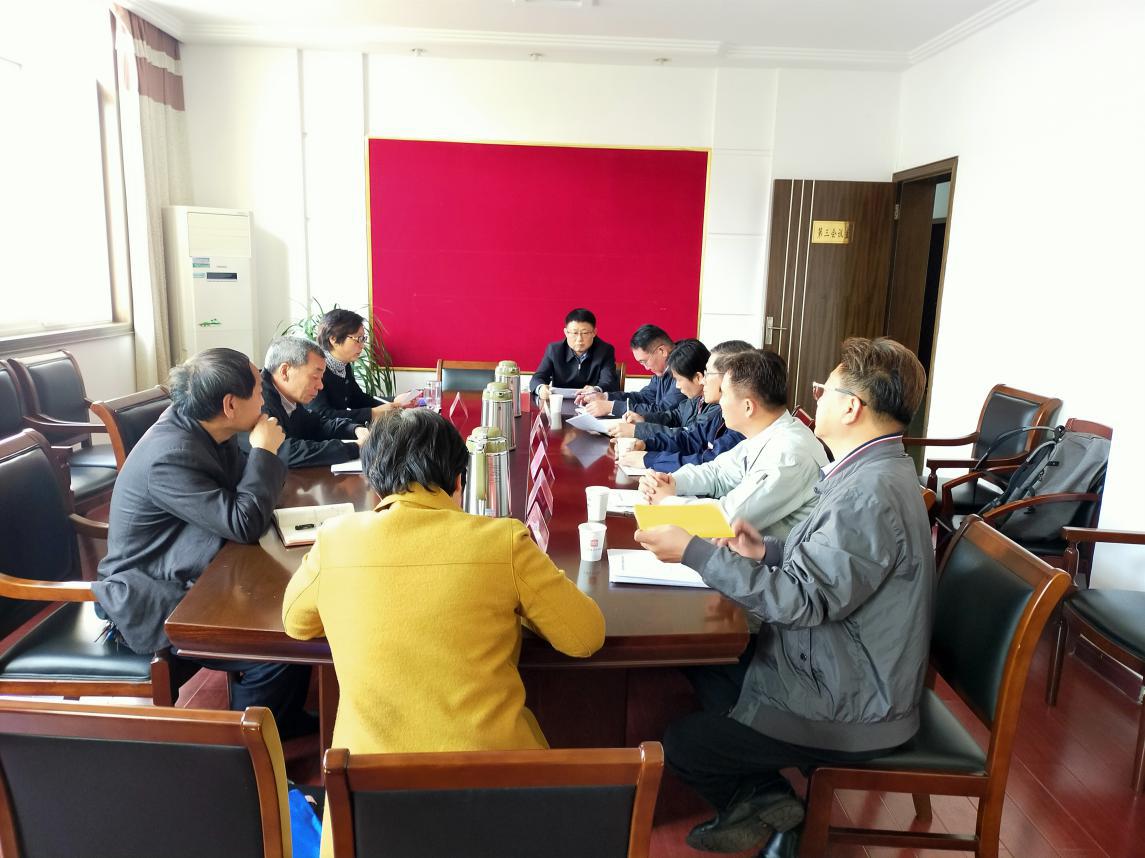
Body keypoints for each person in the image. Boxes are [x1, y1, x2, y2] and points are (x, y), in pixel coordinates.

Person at [635, 337, 935, 857]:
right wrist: (767, 550)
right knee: (705, 664)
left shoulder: (867, 493)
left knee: (682, 744)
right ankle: (771, 802)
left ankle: (775, 809)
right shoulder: (873, 469)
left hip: (853, 703)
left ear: (851, 407)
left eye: (823, 391)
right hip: (841, 663)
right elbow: (833, 566)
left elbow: (800, 601)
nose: (813, 399)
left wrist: (693, 552)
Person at [282, 408, 606, 858]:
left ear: (373, 482)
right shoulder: (503, 541)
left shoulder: (336, 539)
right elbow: (584, 636)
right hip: (496, 795)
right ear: (458, 480)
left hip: (370, 803)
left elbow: (296, 622)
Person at [92, 348, 312, 734]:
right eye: (258, 391)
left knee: (289, 603)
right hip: (151, 590)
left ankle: (283, 721)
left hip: (196, 561)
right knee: (273, 643)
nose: (264, 399)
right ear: (230, 404)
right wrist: (263, 450)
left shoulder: (208, 429)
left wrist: (261, 458)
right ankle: (245, 745)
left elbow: (248, 501)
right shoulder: (172, 454)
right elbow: (243, 521)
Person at [639, 349, 826, 537]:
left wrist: (666, 502)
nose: (720, 402)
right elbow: (718, 473)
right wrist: (672, 481)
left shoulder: (788, 455)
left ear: (748, 406)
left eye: (725, 394)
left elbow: (727, 519)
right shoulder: (766, 432)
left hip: (765, 553)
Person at [619, 340, 752, 472]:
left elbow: (710, 464)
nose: (703, 380)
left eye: (708, 374)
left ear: (730, 378)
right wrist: (647, 444)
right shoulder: (719, 413)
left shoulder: (738, 424)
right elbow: (691, 439)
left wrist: (651, 459)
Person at [255, 336, 368, 468]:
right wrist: (355, 447)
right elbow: (284, 451)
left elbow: (317, 425)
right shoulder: (257, 401)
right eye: (315, 377)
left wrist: (354, 429)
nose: (320, 386)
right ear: (285, 371)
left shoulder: (288, 397)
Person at [308, 308, 407, 425]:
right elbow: (322, 415)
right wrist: (372, 413)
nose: (362, 345)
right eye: (358, 339)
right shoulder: (314, 369)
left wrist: (394, 401)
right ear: (333, 339)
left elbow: (358, 399)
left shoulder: (343, 365)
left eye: (363, 339)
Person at [609, 338, 710, 441]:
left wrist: (638, 430)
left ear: (698, 378)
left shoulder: (714, 407)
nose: (677, 386)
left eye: (679, 380)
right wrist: (643, 419)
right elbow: (675, 416)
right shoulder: (696, 398)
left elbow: (689, 437)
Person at [578, 324, 685, 417]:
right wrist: (605, 397)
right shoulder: (663, 370)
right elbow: (644, 397)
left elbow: (664, 410)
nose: (646, 368)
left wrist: (612, 407)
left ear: (661, 351)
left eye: (644, 361)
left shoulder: (684, 368)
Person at [530, 308, 619, 399]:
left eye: (585, 333)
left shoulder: (605, 350)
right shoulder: (554, 350)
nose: (579, 339)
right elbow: (538, 378)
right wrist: (541, 388)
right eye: (575, 333)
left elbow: (609, 382)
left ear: (594, 332)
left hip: (592, 403)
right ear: (566, 332)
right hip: (561, 402)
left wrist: (596, 390)